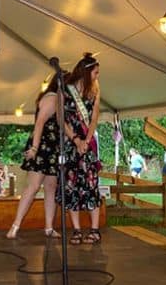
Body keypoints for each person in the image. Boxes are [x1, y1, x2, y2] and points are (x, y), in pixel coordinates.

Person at [6, 78, 61, 239]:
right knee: (33, 186)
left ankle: (49, 227)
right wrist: (35, 148)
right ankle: (15, 225)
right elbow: (39, 124)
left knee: (51, 186)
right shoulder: (51, 98)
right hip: (43, 147)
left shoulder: (58, 99)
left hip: (53, 147)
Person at [58, 53, 102, 245]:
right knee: (71, 185)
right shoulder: (65, 90)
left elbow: (93, 119)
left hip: (88, 144)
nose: (97, 76)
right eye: (95, 72)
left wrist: (87, 139)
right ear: (86, 72)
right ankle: (76, 230)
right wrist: (76, 140)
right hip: (71, 143)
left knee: (91, 184)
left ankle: (94, 229)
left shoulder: (95, 90)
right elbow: (61, 119)